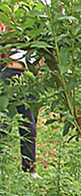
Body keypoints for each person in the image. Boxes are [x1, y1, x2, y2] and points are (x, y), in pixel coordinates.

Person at [0, 18, 39, 178]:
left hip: (28, 76)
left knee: (29, 124)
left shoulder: (34, 22)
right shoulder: (6, 19)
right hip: (8, 73)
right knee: (2, 122)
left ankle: (29, 170)